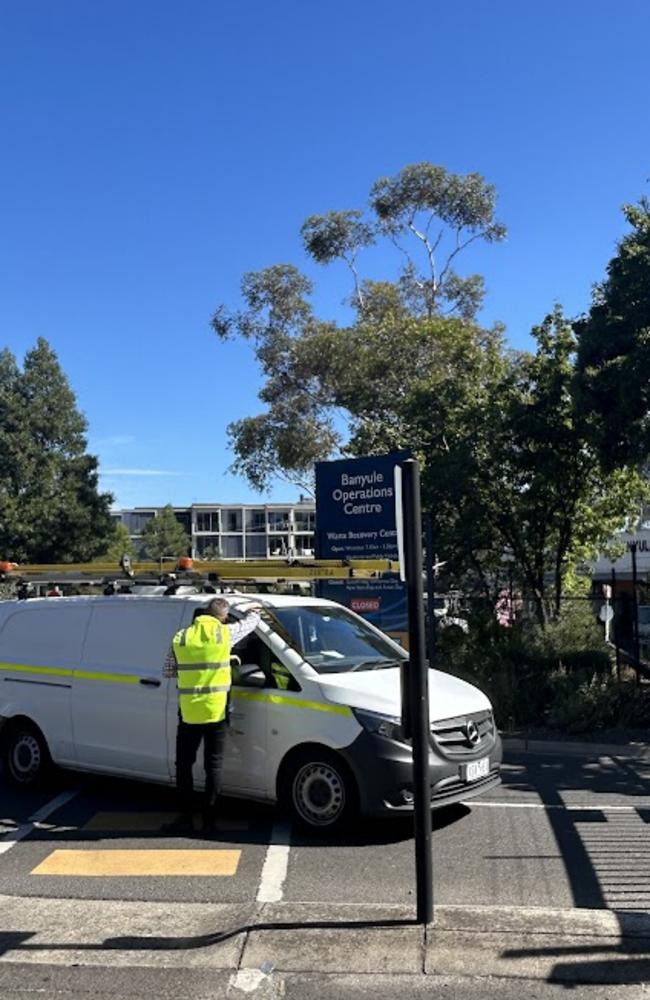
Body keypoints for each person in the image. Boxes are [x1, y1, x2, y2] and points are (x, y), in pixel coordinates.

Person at [162, 598, 261, 835]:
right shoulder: (225, 634)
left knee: (184, 765)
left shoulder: (181, 637)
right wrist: (255, 608)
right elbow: (251, 623)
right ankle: (209, 821)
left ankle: (186, 818)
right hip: (216, 712)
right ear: (223, 617)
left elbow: (168, 671)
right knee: (213, 766)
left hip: (188, 712)